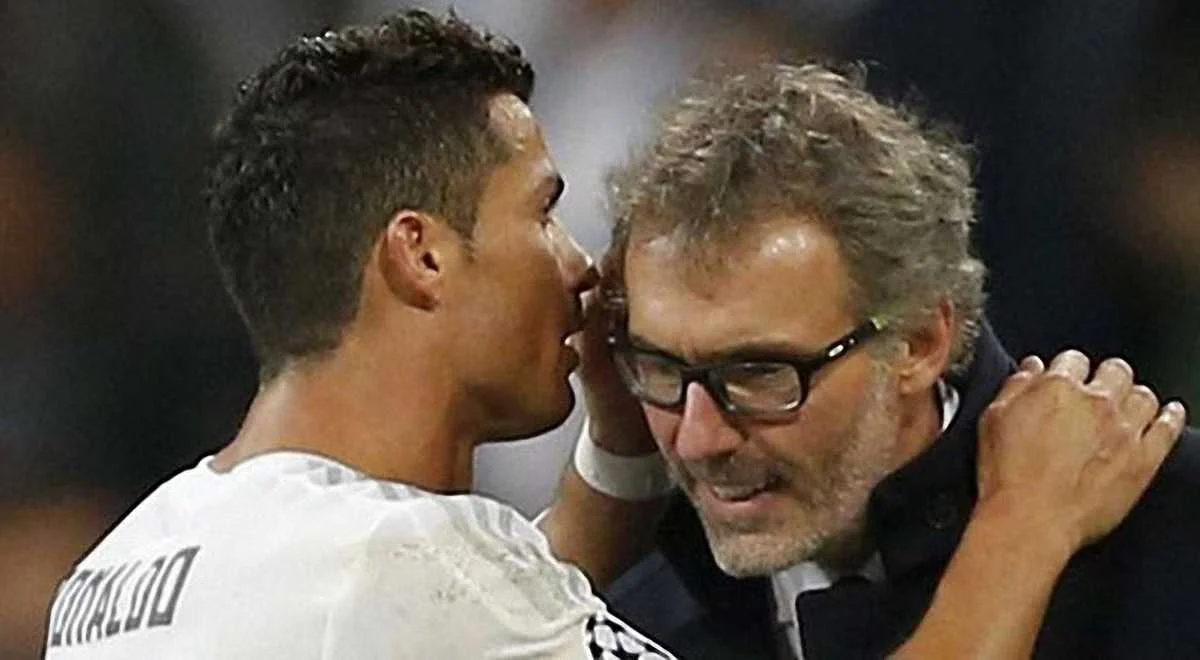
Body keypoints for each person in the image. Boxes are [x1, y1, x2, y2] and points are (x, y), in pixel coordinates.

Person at [38, 13, 1183, 659]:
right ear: (420, 253)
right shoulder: (398, 567)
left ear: (924, 339)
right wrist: (1023, 528)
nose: (581, 270)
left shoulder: (117, 570)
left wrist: (629, 440)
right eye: (542, 212)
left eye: (755, 370)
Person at [600, 62, 1200, 659]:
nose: (699, 440)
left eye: (758, 374)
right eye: (661, 369)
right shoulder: (636, 628)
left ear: (918, 342)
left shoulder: (1174, 537)